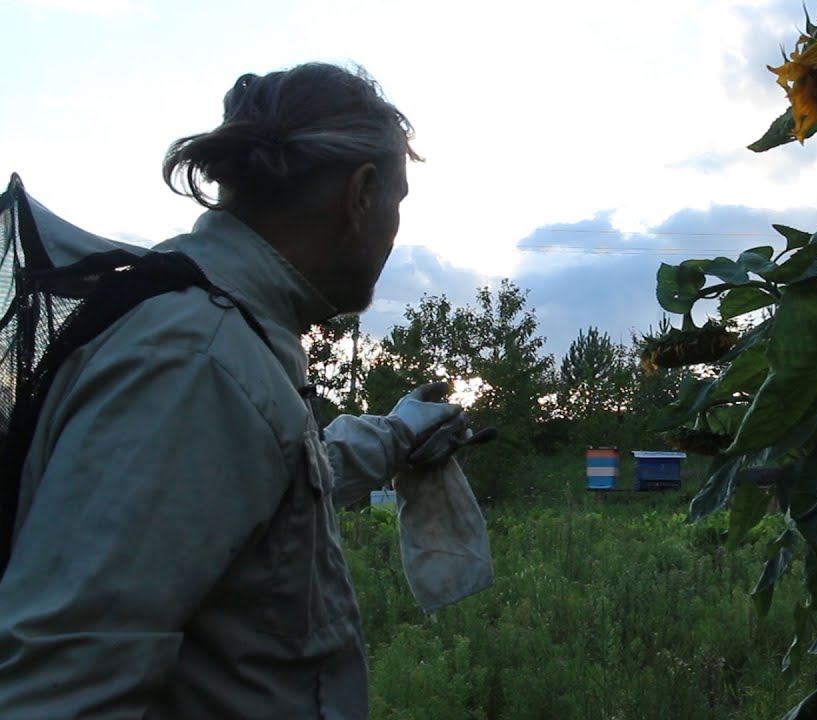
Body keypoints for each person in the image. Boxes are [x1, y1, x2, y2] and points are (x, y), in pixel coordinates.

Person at [0, 63, 469, 718]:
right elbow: (62, 686)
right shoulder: (199, 362)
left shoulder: (229, 329)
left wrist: (399, 432)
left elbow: (270, 481)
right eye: (398, 200)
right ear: (361, 195)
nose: (394, 230)